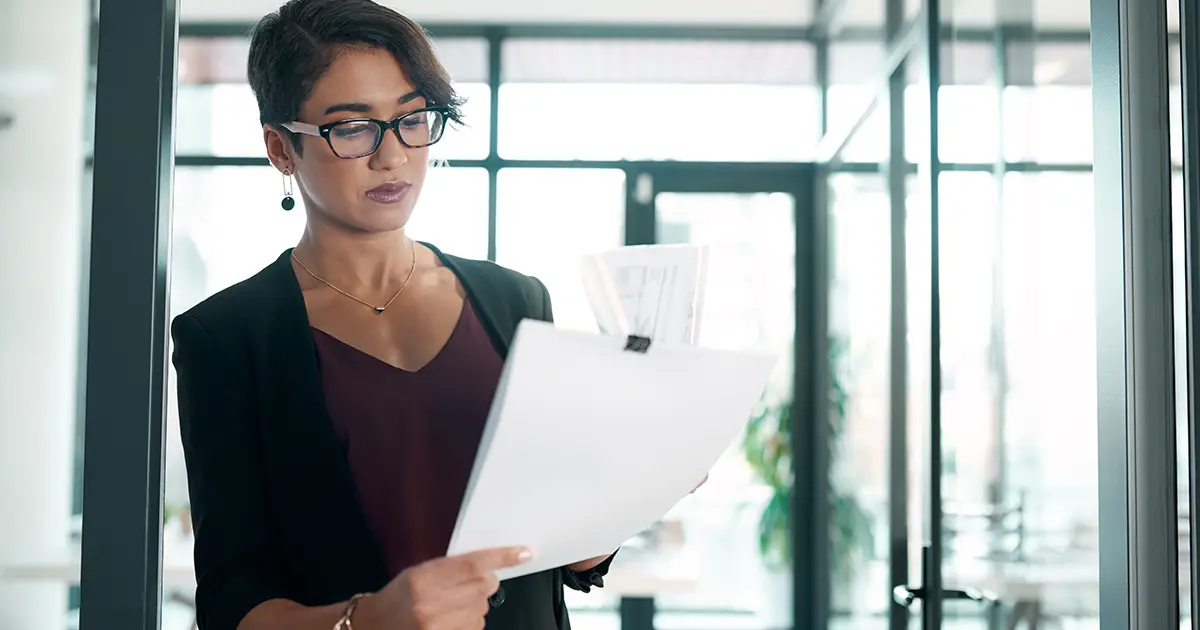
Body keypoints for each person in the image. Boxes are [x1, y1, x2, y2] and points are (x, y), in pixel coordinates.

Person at [171, 1, 705, 629]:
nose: (392, 155)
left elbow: (560, 546)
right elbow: (235, 605)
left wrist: (626, 500)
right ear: (281, 148)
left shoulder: (516, 302)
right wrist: (366, 621)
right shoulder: (228, 338)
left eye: (411, 120)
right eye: (352, 128)